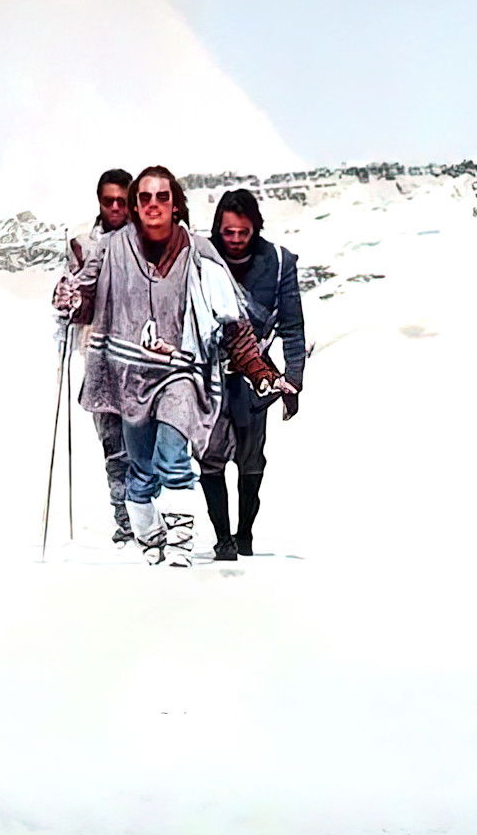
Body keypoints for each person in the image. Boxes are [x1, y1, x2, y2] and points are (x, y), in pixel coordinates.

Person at [57, 165, 273, 569]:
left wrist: (262, 372)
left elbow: (230, 318)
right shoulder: (110, 248)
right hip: (128, 373)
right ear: (136, 206)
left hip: (181, 372)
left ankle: (179, 545)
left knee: (173, 457)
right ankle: (150, 535)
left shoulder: (199, 252)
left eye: (162, 197)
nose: (153, 204)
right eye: (145, 198)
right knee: (140, 469)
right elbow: (84, 300)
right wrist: (70, 298)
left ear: (176, 205)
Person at [200, 186, 305, 562]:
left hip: (255, 379)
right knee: (209, 458)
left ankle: (244, 534)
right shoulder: (201, 257)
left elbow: (292, 326)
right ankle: (223, 538)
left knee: (251, 460)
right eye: (228, 232)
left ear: (255, 228)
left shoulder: (278, 262)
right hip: (209, 375)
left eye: (243, 232)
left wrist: (294, 379)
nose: (235, 239)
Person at [52, 166, 139, 542]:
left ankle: (148, 517)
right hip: (98, 353)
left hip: (143, 357)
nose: (115, 207)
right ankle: (125, 521)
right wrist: (65, 302)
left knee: (145, 443)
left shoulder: (150, 239)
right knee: (112, 445)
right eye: (109, 201)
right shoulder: (81, 244)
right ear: (100, 202)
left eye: (121, 200)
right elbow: (72, 292)